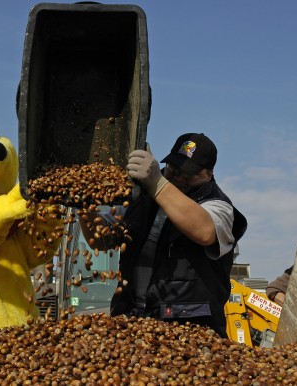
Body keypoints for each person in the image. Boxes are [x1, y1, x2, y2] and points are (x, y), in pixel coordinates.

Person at [83, 133, 247, 338]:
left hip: (189, 329)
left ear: (208, 173)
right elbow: (100, 238)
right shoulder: (140, 195)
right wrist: (84, 206)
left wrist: (158, 184)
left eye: (187, 173)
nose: (178, 177)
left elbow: (205, 231)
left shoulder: (218, 204)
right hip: (131, 319)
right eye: (173, 169)